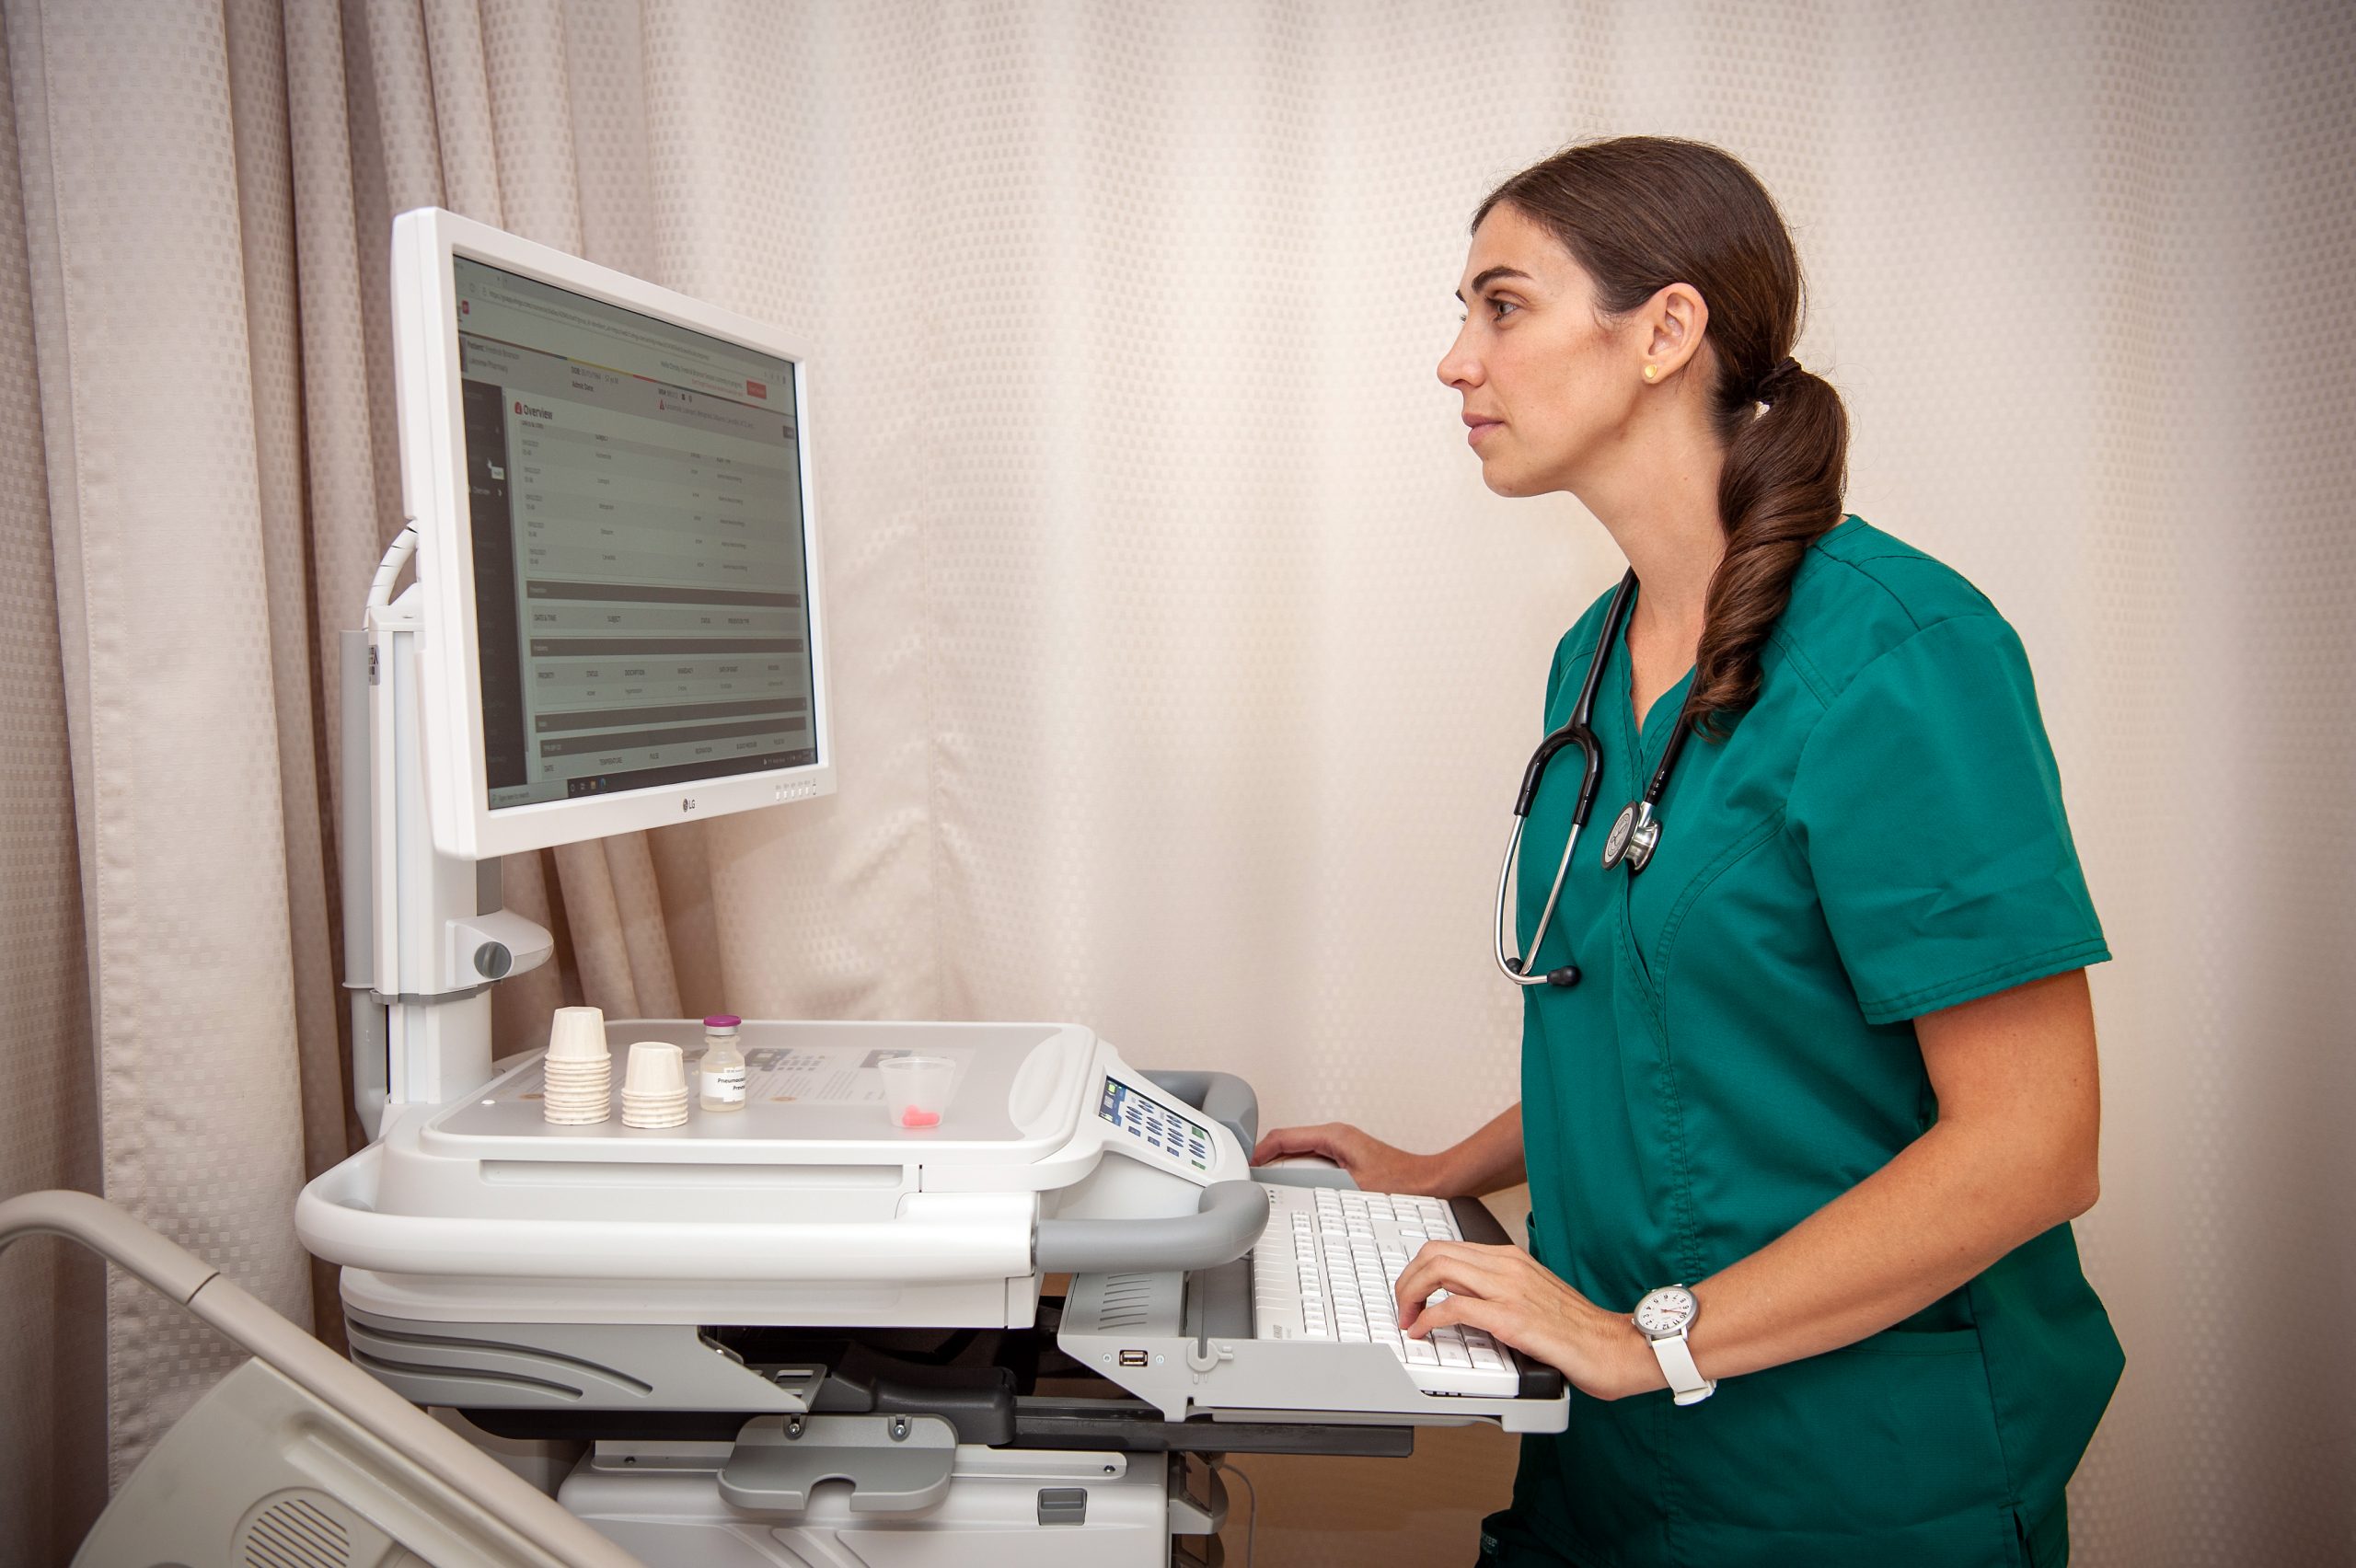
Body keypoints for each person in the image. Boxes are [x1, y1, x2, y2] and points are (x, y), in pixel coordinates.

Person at [1253, 138, 2122, 1568]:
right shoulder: (1594, 660)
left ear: (1664, 332)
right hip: (1606, 1447)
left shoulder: (1904, 657)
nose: (1456, 362)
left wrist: (1642, 1342)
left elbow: (2034, 1147)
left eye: (1503, 307)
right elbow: (1656, 1031)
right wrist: (1443, 1168)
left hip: (1844, 1478)